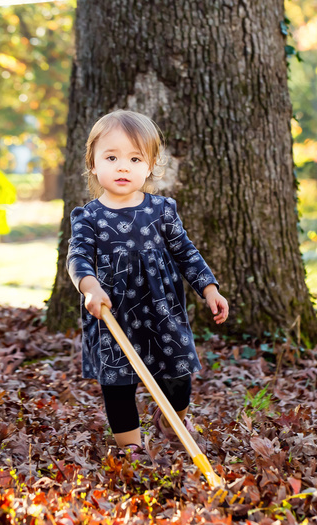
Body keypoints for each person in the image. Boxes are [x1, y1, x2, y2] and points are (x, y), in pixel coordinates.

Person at [65, 109, 229, 460]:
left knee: (178, 378)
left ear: (150, 165)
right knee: (119, 386)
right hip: (113, 317)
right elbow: (77, 258)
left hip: (162, 314)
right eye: (111, 157)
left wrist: (209, 288)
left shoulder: (162, 210)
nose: (123, 167)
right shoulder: (89, 217)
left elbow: (185, 251)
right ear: (93, 164)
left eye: (134, 158)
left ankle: (172, 424)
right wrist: (89, 286)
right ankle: (133, 449)